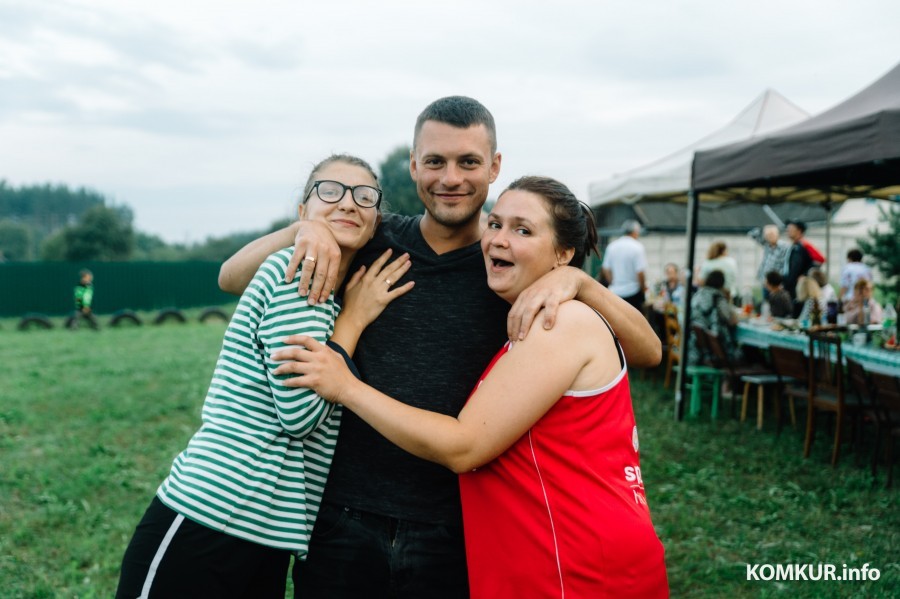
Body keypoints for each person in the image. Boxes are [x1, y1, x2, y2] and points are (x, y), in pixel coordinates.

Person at [218, 96, 662, 598]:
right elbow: (232, 278)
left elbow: (647, 352)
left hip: (458, 525)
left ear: (495, 166)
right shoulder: (373, 240)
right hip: (344, 514)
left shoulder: (511, 266)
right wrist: (305, 229)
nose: (451, 178)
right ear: (413, 166)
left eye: (468, 162)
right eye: (435, 161)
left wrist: (581, 284)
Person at [115, 155, 414, 599]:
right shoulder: (297, 276)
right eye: (329, 191)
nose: (348, 203)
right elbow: (300, 414)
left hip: (265, 532)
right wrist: (353, 322)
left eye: (364, 196)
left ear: (375, 222)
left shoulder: (327, 297)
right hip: (211, 515)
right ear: (302, 212)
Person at [688, 270, 739, 365]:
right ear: (722, 283)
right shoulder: (717, 297)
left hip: (696, 348)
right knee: (747, 353)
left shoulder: (698, 294)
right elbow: (732, 321)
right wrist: (729, 300)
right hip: (716, 351)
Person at [601, 219, 648, 311]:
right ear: (635, 232)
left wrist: (613, 282)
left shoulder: (612, 246)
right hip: (633, 293)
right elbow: (640, 272)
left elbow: (605, 269)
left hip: (615, 292)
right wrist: (643, 290)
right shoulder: (638, 247)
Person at [784, 220, 816, 317]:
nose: (788, 231)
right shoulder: (794, 246)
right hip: (792, 285)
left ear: (799, 231)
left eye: (791, 229)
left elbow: (818, 260)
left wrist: (804, 275)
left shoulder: (803, 246)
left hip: (798, 287)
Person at [749, 224, 790, 299]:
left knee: (776, 301)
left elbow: (784, 264)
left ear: (777, 235)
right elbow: (752, 234)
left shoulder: (784, 247)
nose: (770, 237)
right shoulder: (767, 245)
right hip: (765, 280)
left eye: (772, 235)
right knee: (766, 302)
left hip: (776, 282)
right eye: (768, 235)